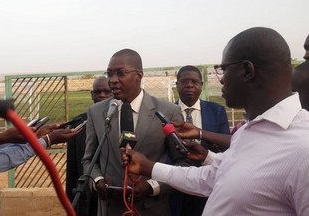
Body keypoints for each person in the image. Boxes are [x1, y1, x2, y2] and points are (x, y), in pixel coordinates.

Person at [123, 27, 309, 215]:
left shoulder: (303, 148)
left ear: (246, 70)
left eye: (223, 70)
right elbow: (210, 177)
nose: (220, 80)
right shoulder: (248, 131)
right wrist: (149, 166)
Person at [82, 49, 183, 216]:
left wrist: (152, 186)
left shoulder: (168, 112)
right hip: (110, 209)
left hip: (151, 208)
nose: (113, 80)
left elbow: (182, 164)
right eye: (109, 74)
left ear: (139, 75)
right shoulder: (96, 112)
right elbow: (89, 160)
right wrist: (98, 181)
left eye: (121, 73)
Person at [171, 65, 230, 216]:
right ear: (177, 85)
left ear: (201, 86)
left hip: (208, 183)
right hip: (175, 185)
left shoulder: (217, 111)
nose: (189, 85)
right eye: (184, 81)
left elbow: (226, 146)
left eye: (194, 81)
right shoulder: (167, 111)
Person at [66, 76, 112, 215]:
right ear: (91, 95)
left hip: (113, 196)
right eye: (97, 92)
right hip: (87, 198)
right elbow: (72, 167)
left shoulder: (123, 121)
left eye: (106, 91)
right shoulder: (78, 123)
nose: (102, 95)